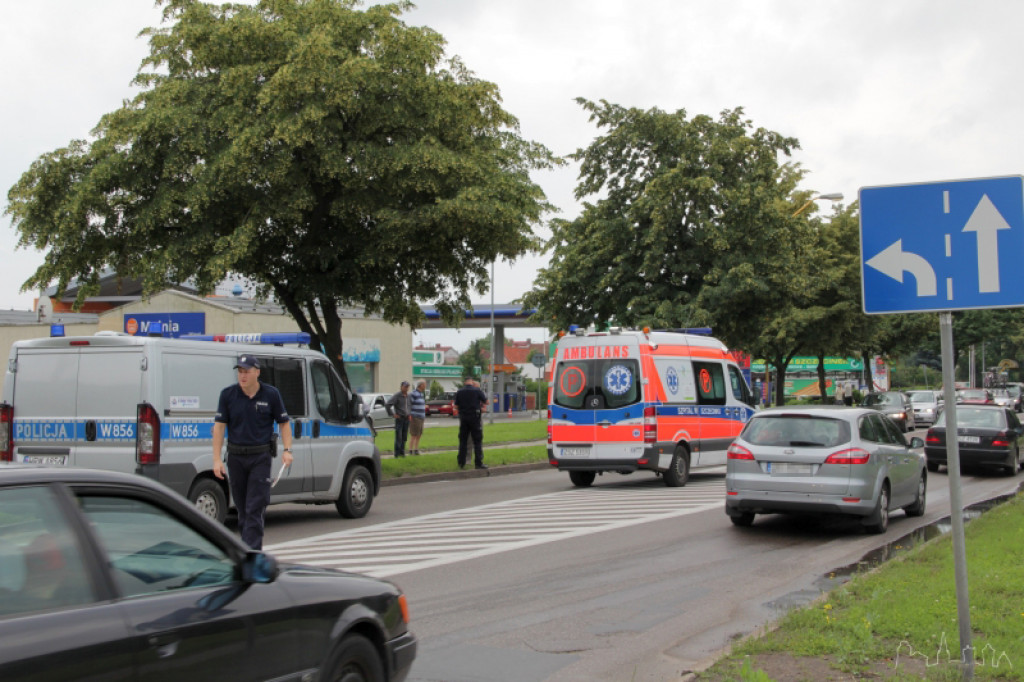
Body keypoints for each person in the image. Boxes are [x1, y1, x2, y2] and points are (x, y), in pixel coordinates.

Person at [212, 354, 293, 550]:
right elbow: (219, 427)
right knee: (242, 510)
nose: (243, 376)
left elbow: (284, 424)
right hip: (236, 458)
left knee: (254, 508)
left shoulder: (270, 394)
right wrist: (216, 459)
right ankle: (246, 550)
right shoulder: (228, 395)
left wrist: (287, 450)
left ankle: (252, 554)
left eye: (246, 371)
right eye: (240, 372)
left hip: (260, 458)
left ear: (257, 372)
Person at [454, 377, 489, 470]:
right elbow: (487, 402)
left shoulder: (460, 391)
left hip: (464, 419)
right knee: (477, 441)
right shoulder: (477, 390)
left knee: (463, 441)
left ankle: (461, 462)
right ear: (471, 381)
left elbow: (456, 406)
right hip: (475, 418)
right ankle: (478, 463)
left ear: (465, 382)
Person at [386, 381, 412, 457]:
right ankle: (397, 454)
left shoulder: (408, 396)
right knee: (399, 437)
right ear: (401, 387)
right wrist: (393, 414)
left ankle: (402, 452)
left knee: (404, 437)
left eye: (407, 387)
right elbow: (388, 405)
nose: (406, 388)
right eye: (405, 386)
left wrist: (409, 414)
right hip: (400, 418)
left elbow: (410, 405)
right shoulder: (397, 396)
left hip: (406, 419)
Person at [408, 380, 427, 455]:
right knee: (414, 434)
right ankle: (410, 450)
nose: (425, 386)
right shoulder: (413, 394)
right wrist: (410, 414)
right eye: (424, 384)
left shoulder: (421, 394)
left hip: (421, 416)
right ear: (420, 385)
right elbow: (409, 404)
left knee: (419, 434)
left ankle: (416, 449)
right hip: (415, 416)